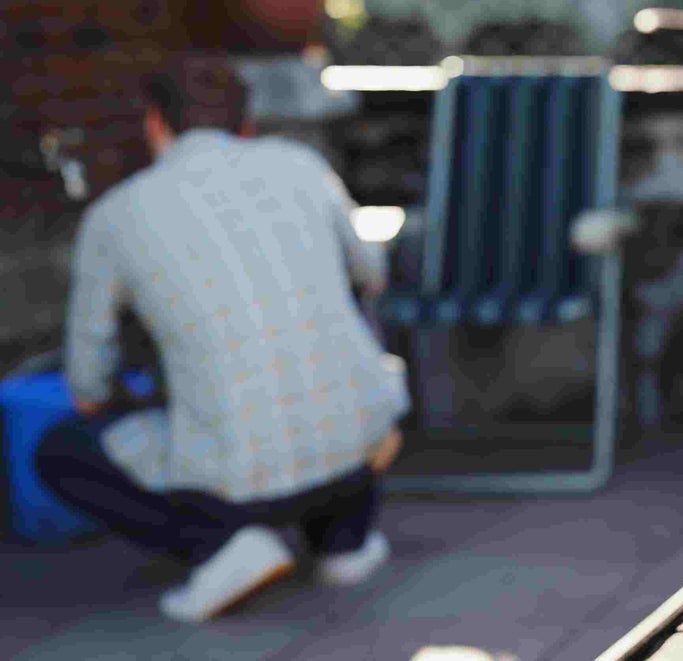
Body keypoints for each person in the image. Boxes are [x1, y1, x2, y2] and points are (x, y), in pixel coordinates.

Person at [34, 54, 409, 623]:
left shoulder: (116, 215)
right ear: (246, 123)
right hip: (361, 444)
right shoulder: (302, 166)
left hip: (238, 479)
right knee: (337, 353)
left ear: (155, 124)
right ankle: (345, 542)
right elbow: (371, 275)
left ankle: (218, 548)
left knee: (62, 448)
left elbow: (88, 383)